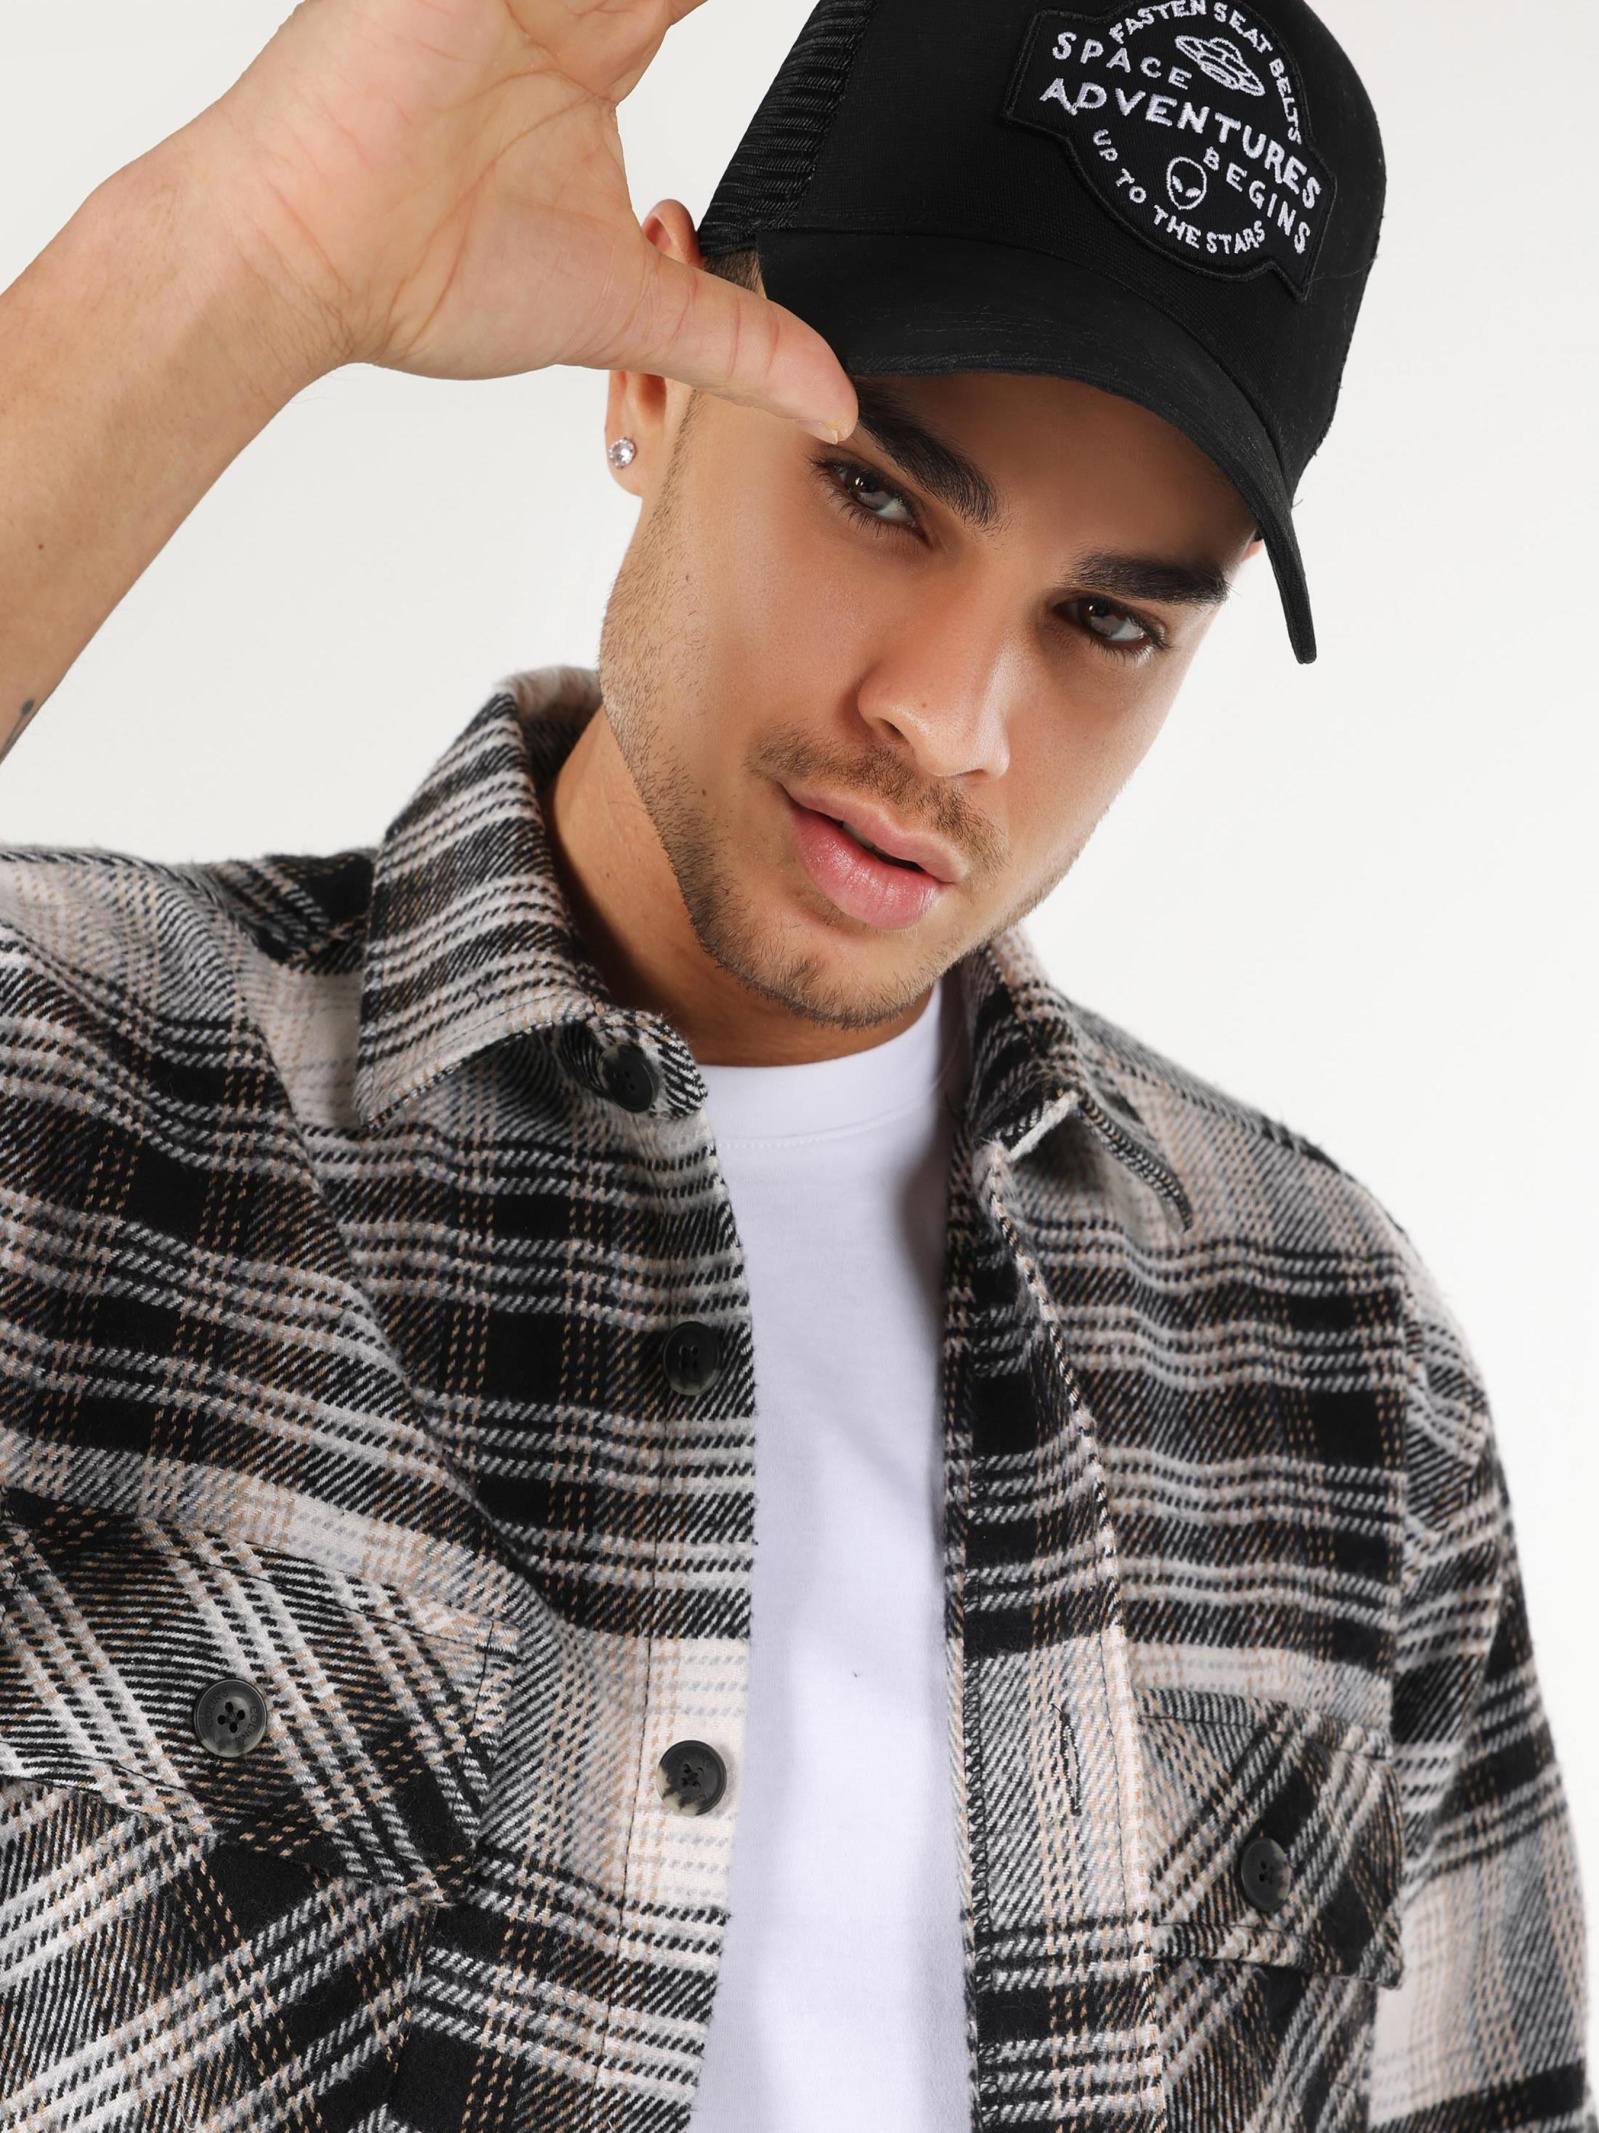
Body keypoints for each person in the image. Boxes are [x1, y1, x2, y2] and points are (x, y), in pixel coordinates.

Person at [0, 0, 1587, 2127]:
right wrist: (248, 246)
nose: (949, 716)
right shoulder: (81, 1083)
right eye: (877, 492)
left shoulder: (1339, 1364)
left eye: (1106, 623)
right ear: (650, 379)